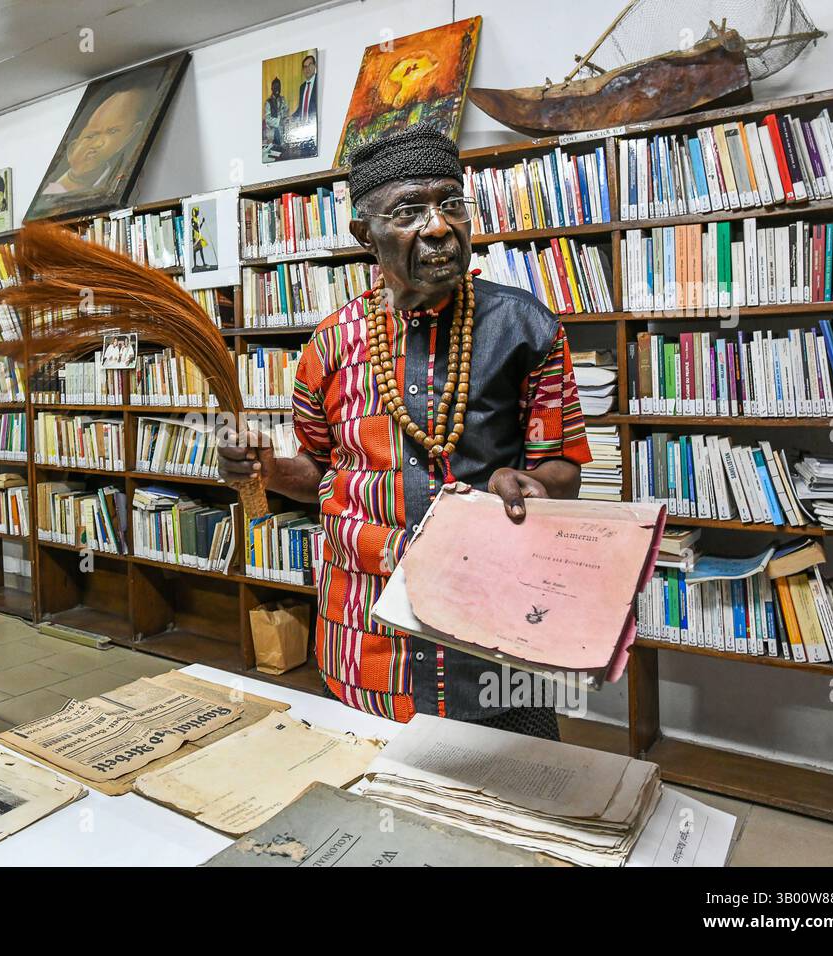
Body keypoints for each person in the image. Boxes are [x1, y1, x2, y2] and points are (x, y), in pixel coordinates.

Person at [218, 123, 591, 739]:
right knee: (367, 813)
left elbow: (565, 468)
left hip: (489, 645)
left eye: (450, 203)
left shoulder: (526, 328)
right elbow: (318, 474)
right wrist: (264, 468)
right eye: (410, 211)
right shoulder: (329, 344)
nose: (439, 225)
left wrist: (533, 484)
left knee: (510, 813)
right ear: (365, 234)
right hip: (362, 641)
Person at [43, 86, 151, 196]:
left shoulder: (113, 181)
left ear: (131, 134)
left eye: (112, 132)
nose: (98, 143)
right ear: (72, 148)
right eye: (91, 136)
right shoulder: (52, 191)